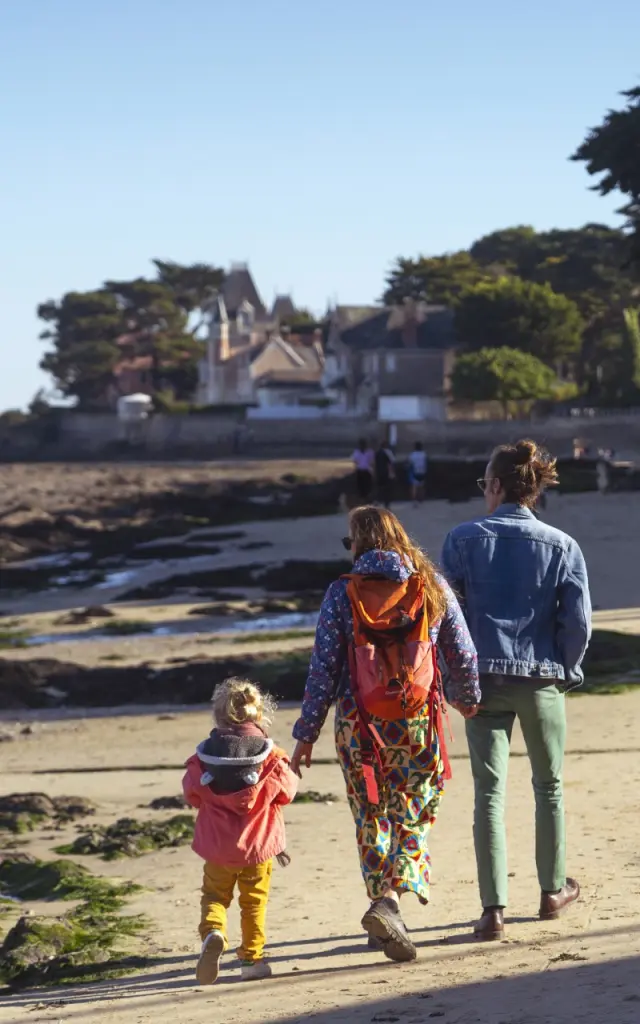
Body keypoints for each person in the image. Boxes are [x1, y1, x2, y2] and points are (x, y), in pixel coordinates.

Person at [291, 506, 479, 963]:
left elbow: (323, 670)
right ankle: (393, 900)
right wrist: (467, 696)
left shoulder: (342, 593)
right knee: (416, 807)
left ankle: (383, 901)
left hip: (358, 725)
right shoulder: (430, 585)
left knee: (370, 814)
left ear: (358, 543)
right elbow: (462, 651)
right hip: (417, 721)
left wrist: (306, 734)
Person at [442, 439, 591, 942]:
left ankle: (493, 911)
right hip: (541, 677)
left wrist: (453, 678)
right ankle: (552, 891)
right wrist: (567, 670)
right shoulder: (562, 544)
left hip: (481, 681)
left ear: (497, 485)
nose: (484, 490)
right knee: (548, 787)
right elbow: (578, 623)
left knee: (489, 794)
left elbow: (447, 620)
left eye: (485, 483)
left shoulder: (461, 540)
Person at [183, 677, 297, 984]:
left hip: (217, 848)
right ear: (259, 715)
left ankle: (214, 932)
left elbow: (191, 793)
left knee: (215, 896)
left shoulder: (202, 759)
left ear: (218, 716)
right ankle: (251, 960)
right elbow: (288, 792)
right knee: (253, 903)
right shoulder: (272, 757)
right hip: (258, 849)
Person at [375, 442, 396, 508]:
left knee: (380, 488)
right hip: (386, 473)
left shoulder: (377, 453)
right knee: (387, 489)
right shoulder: (387, 452)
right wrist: (392, 473)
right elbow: (391, 463)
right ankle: (386, 503)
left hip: (379, 473)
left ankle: (378, 500)